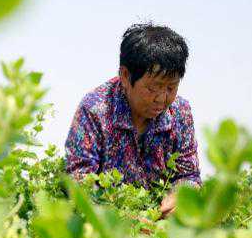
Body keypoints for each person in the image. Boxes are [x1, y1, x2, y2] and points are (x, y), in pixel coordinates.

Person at [64, 23, 201, 218]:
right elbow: (79, 180)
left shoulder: (180, 112)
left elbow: (189, 175)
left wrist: (181, 196)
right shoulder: (95, 110)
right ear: (125, 76)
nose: (162, 99)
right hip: (108, 226)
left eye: (171, 88)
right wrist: (126, 219)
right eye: (153, 88)